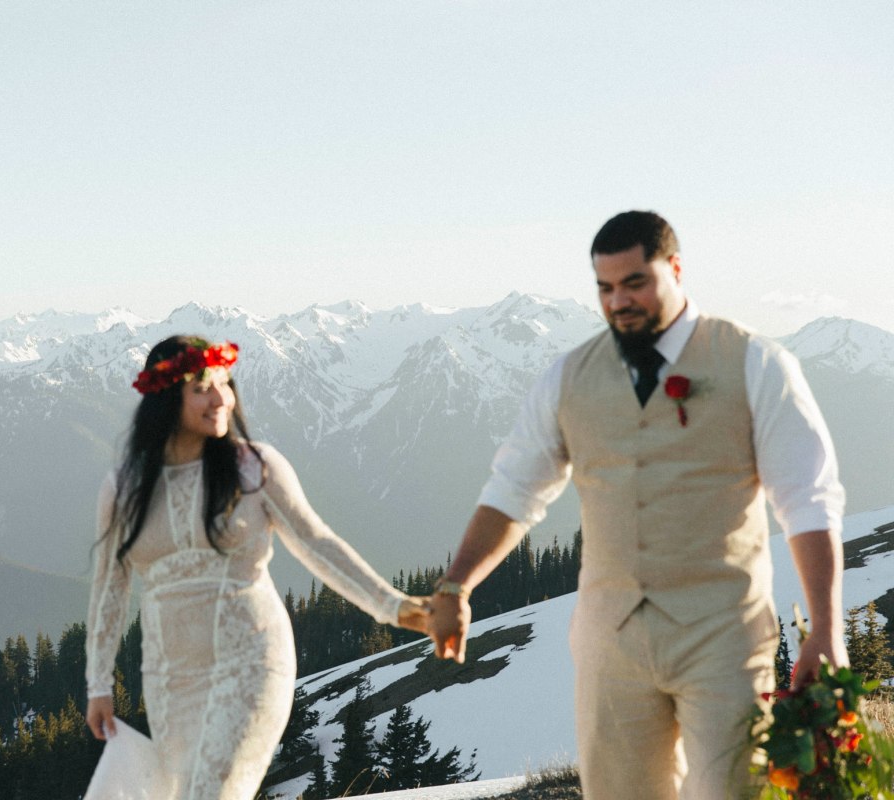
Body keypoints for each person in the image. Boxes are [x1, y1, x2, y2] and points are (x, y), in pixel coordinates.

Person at [426, 211, 846, 799]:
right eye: (605, 288)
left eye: (635, 283)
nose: (619, 301)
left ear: (675, 269)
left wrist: (825, 628)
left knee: (736, 792)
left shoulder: (753, 362)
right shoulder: (567, 378)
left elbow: (808, 499)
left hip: (722, 633)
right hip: (610, 640)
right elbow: (512, 492)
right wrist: (456, 586)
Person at [84, 335, 429, 800]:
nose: (221, 398)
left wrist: (395, 607)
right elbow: (109, 590)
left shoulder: (254, 468)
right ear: (167, 398)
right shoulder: (124, 488)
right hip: (170, 681)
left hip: (250, 660)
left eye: (225, 384)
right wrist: (98, 684)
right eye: (203, 387)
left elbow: (318, 544)